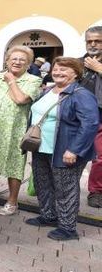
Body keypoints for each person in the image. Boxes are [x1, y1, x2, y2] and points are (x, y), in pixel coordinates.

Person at [26, 57, 98, 240]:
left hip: (64, 150)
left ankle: (68, 228)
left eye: (64, 69)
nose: (58, 72)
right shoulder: (49, 90)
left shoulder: (81, 94)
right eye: (56, 69)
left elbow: (90, 124)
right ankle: (48, 215)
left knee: (66, 189)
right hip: (41, 147)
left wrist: (74, 150)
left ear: (76, 73)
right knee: (44, 184)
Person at [0, 46, 41, 215]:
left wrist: (11, 80)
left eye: (22, 60)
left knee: (15, 165)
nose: (17, 62)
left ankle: (12, 201)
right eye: (14, 58)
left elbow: (20, 99)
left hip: (15, 130)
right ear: (7, 60)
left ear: (28, 64)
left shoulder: (33, 80)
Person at [80, 26, 102, 208]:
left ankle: (96, 191)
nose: (93, 44)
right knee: (71, 154)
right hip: (79, 118)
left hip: (100, 117)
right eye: (89, 41)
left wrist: (99, 68)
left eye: (98, 41)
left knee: (100, 157)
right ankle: (65, 189)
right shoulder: (78, 62)